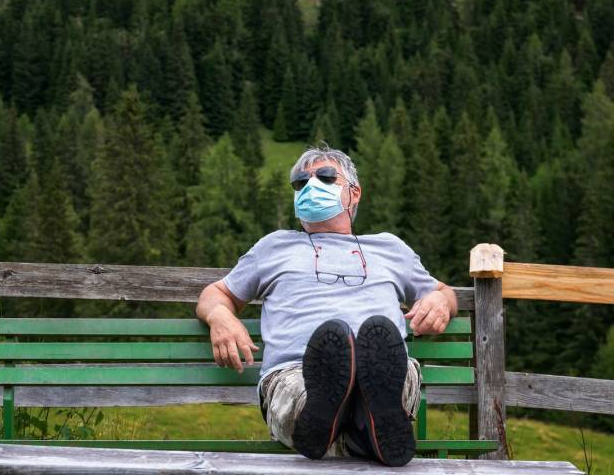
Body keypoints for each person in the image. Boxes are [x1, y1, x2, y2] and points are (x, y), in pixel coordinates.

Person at [195, 143, 457, 466]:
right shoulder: (274, 247)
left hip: (384, 373)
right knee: (309, 392)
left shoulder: (390, 248)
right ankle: (359, 427)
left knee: (390, 369)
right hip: (295, 376)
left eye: (326, 177)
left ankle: (362, 415)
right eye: (301, 184)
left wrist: (440, 300)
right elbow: (216, 293)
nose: (311, 188)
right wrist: (220, 315)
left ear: (355, 193)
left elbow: (443, 292)